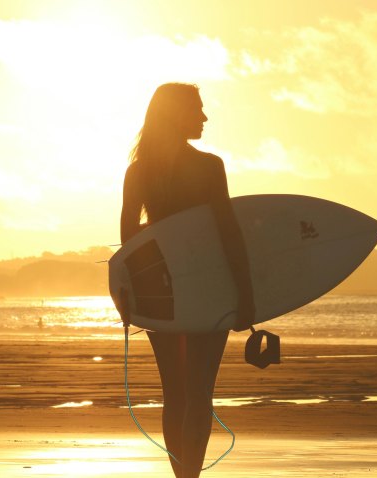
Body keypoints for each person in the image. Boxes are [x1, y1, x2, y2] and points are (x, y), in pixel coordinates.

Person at [118, 83, 256, 478]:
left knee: (175, 395)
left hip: (163, 294)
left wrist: (132, 297)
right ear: (175, 114)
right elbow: (228, 233)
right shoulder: (209, 166)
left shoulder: (139, 172)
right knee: (199, 394)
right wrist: (245, 295)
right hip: (210, 291)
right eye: (197, 109)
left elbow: (130, 244)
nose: (204, 117)